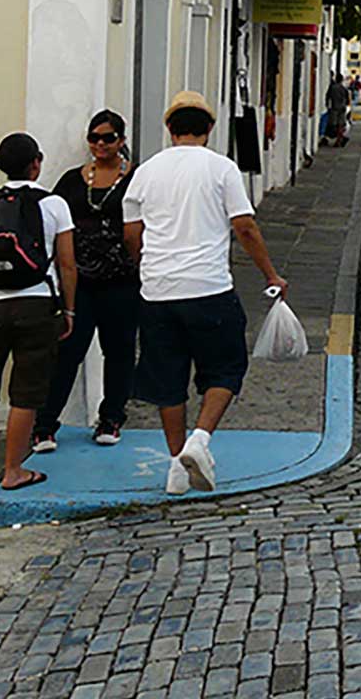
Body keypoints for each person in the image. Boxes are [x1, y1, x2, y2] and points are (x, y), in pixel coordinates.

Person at [124, 91, 287, 495]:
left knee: (168, 381)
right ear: (210, 129)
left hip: (158, 291)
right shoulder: (222, 168)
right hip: (209, 288)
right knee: (226, 370)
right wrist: (271, 273)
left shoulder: (146, 171)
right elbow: (245, 227)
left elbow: (131, 232)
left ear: (169, 129)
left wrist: (146, 264)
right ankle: (200, 439)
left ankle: (177, 468)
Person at [0, 133, 77, 490]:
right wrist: (69, 311)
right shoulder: (54, 204)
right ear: (36, 162)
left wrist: (0, 268)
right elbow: (68, 266)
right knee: (26, 390)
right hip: (37, 303)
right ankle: (13, 470)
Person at [33, 111, 139, 453]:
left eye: (108, 138)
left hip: (122, 280)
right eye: (94, 138)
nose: (100, 144)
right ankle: (46, 423)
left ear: (121, 140)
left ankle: (111, 418)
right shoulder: (72, 181)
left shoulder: (136, 179)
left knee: (119, 351)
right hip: (79, 283)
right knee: (67, 351)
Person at [324, 76, 351, 148]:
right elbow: (348, 100)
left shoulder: (332, 88)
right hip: (342, 109)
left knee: (333, 125)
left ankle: (338, 140)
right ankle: (339, 140)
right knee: (340, 125)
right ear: (341, 80)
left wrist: (327, 105)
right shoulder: (343, 89)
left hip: (334, 108)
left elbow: (327, 97)